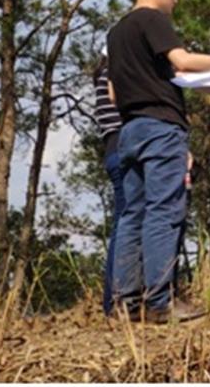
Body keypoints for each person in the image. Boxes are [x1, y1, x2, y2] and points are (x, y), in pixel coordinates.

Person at [107, 0, 210, 324]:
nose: (175, 0)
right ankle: (160, 302)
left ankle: (125, 302)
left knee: (131, 215)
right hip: (161, 128)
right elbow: (182, 62)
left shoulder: (117, 32)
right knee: (163, 211)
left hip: (129, 129)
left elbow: (112, 94)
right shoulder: (152, 19)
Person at [93, 52, 125, 317]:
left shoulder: (102, 78)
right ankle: (117, 298)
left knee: (123, 222)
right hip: (124, 149)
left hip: (113, 149)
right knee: (127, 224)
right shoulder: (116, 75)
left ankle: (113, 299)